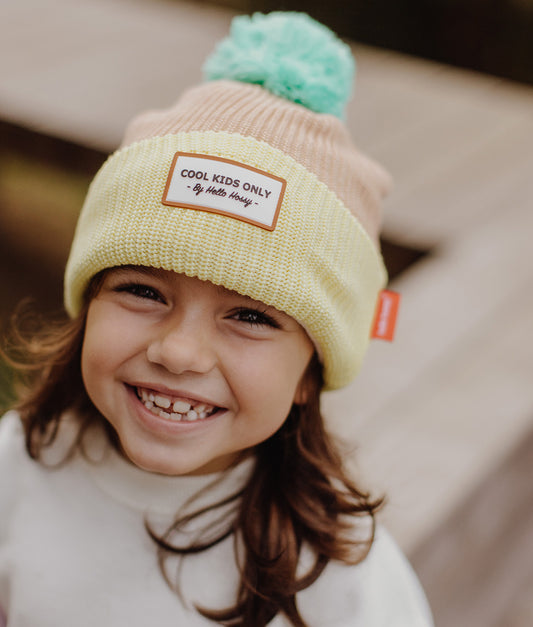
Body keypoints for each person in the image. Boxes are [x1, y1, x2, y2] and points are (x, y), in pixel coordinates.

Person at [0, 12, 433, 627]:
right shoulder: (20, 466)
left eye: (251, 316)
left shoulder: (345, 579)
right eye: (144, 291)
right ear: (89, 299)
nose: (180, 352)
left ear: (312, 370)